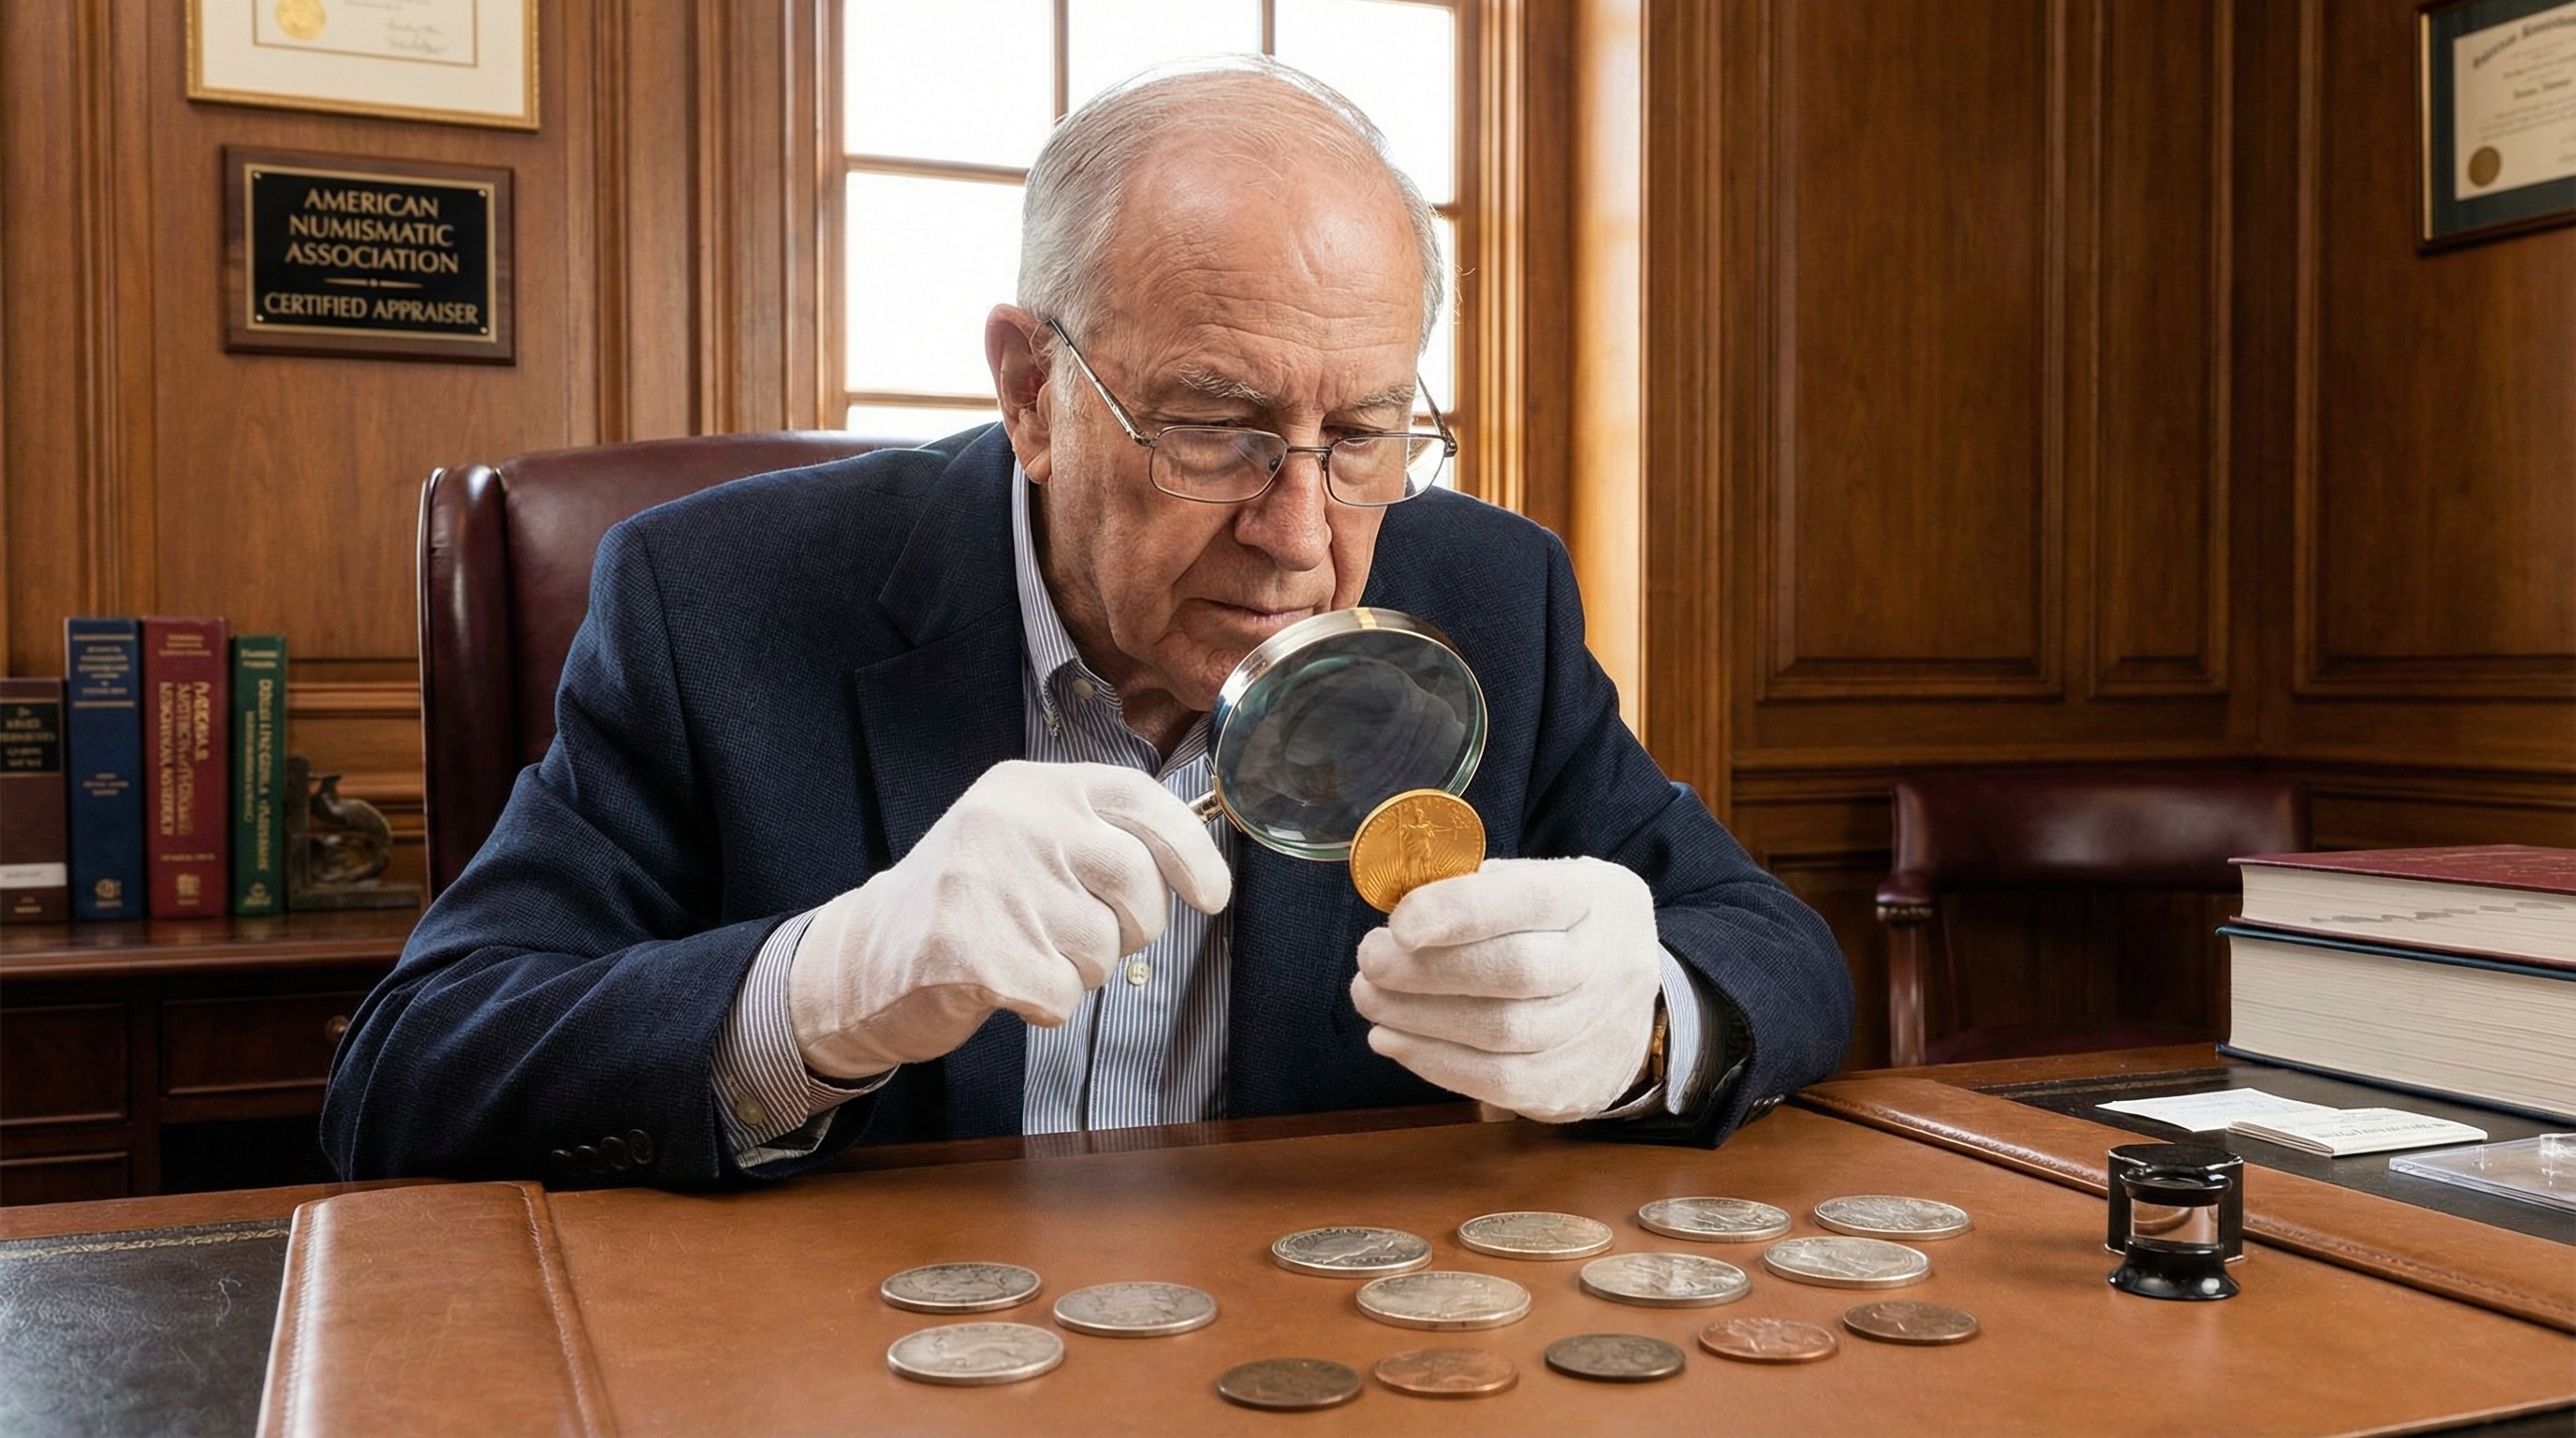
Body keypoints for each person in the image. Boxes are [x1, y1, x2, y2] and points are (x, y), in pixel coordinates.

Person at [322, 58, 1852, 1188]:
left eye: (1368, 432)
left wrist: (1647, 1017)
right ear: (1032, 392)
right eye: (1216, 425)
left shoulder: (1487, 599)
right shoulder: (708, 603)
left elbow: (1779, 952)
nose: (1305, 534)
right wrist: (818, 992)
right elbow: (405, 1086)